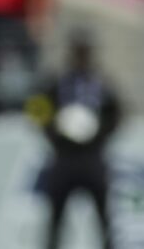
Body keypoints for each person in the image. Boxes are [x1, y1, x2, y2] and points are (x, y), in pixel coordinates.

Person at [27, 32, 123, 249]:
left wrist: (97, 134)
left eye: (85, 51)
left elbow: (118, 114)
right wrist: (55, 134)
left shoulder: (101, 83)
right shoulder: (58, 82)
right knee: (55, 221)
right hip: (64, 158)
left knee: (104, 220)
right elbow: (36, 109)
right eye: (78, 51)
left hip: (92, 158)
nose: (81, 56)